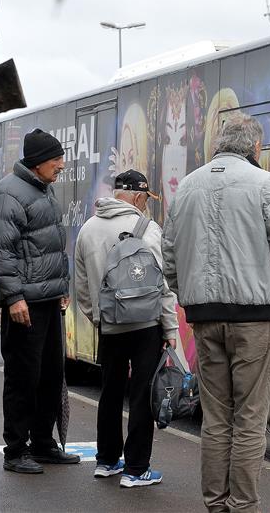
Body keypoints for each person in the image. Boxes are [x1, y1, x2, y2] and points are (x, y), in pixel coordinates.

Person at [162, 113, 270, 512]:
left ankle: (215, 503)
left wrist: (190, 294)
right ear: (255, 148)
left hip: (204, 318)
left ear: (219, 145)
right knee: (250, 417)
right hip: (254, 318)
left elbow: (168, 257)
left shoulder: (188, 186)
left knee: (216, 416)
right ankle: (242, 506)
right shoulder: (263, 184)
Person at [74, 169, 179, 488]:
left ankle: (106, 461)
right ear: (135, 196)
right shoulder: (147, 229)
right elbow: (161, 285)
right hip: (146, 325)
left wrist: (98, 317)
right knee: (142, 393)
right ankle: (136, 468)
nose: (146, 204)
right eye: (145, 198)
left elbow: (80, 285)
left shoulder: (88, 229)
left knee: (110, 390)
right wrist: (170, 327)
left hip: (110, 325)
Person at [0, 128, 79, 473]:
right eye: (57, 159)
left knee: (49, 374)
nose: (61, 165)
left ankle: (43, 443)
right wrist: (13, 297)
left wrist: (62, 287)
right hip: (25, 304)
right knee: (22, 376)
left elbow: (48, 246)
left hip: (46, 299)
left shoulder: (42, 189)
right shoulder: (9, 193)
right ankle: (16, 450)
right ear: (39, 161)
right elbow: (3, 251)